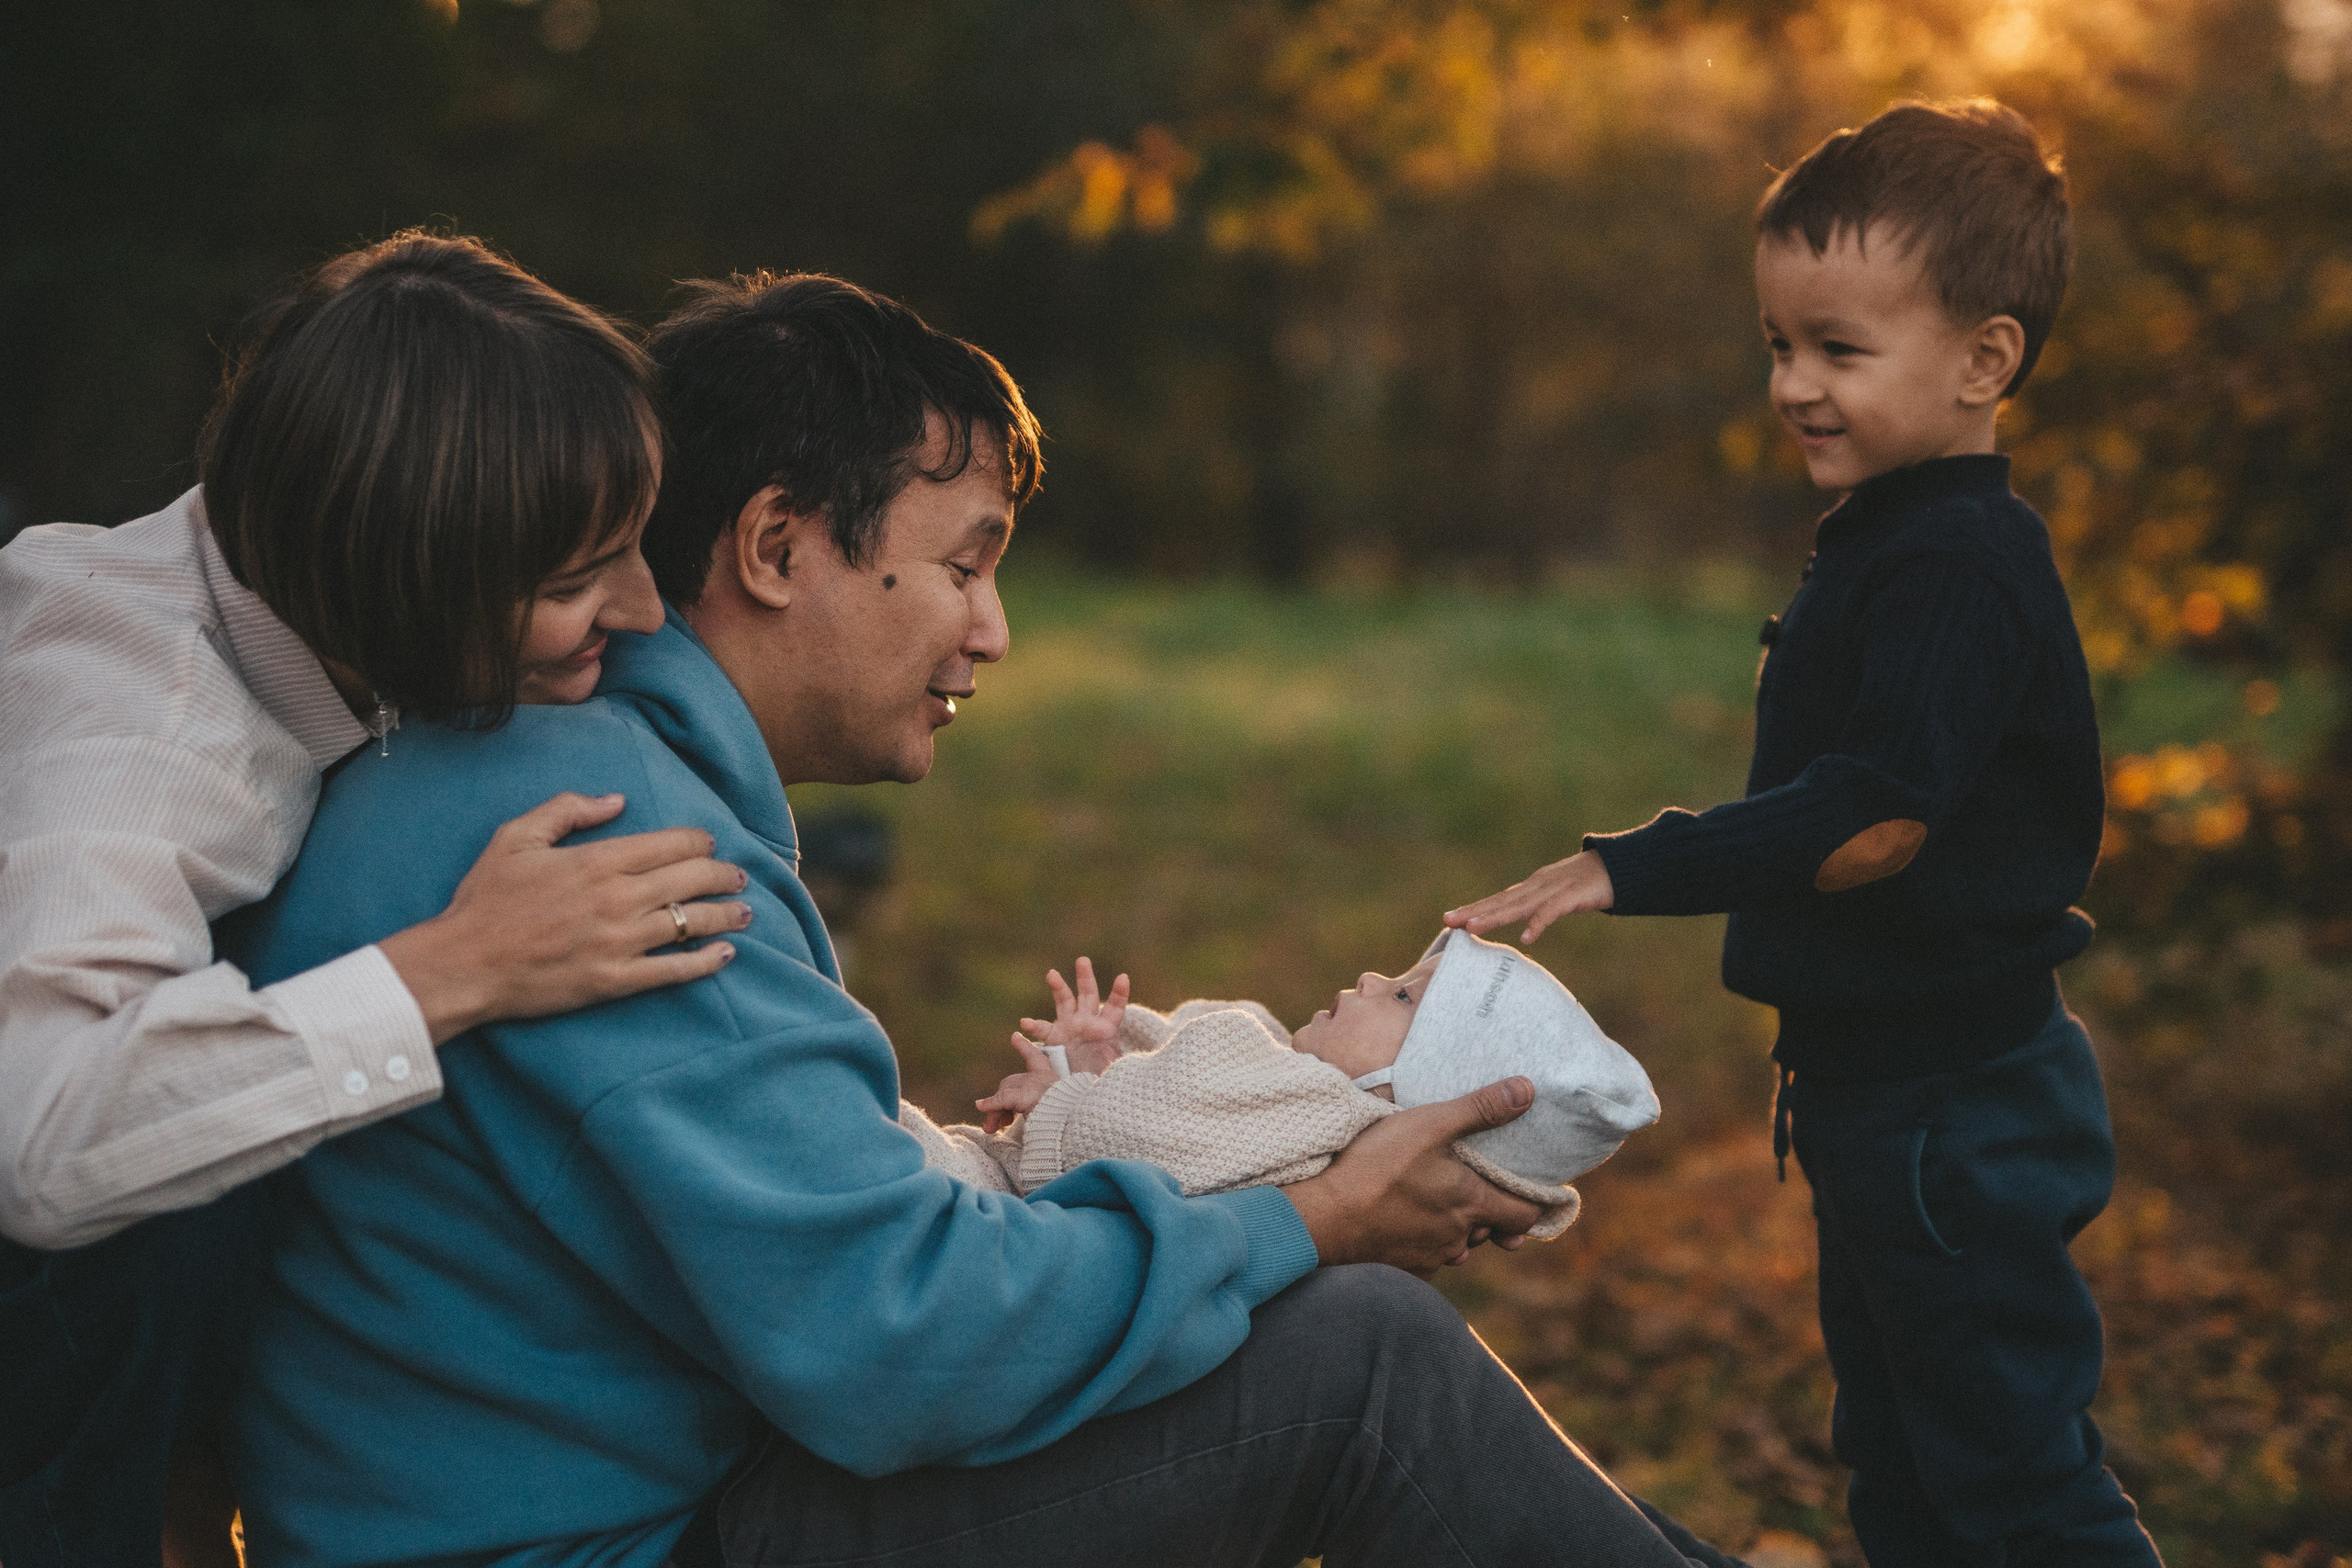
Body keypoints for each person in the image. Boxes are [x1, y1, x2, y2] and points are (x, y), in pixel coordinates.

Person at [214, 271, 1745, 1568]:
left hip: (623, 1489)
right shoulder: (612, 852)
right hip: (606, 1539)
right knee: (1362, 1365)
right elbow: (901, 1343)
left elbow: (825, 1239)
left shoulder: (558, 771)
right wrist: (1309, 1218)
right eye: (965, 564)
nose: (994, 630)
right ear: (774, 547)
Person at [1446, 101, 2162, 1566]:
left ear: (1985, 361)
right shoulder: (1895, 542)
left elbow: (1875, 822)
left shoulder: (1960, 561)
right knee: (1902, 1460)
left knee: (2013, 1473)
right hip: (1881, 1095)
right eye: (1781, 344)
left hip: (1954, 1112)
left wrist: (1627, 862)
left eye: (1841, 349)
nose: (1796, 385)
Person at [0, 232, 750, 1568]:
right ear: (418, 581)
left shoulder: (321, 556)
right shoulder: (147, 747)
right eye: (578, 578)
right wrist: (460, 968)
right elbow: (45, 1139)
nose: (641, 608)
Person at [924, 933, 1657, 1239]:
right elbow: (1179, 1122)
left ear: (1407, 1092)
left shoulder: (1317, 1108)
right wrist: (1103, 1065)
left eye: (1403, 998)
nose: (1372, 978)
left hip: (999, 1211)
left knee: (878, 1153)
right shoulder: (1297, 1089)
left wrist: (1072, 1096)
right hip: (1019, 1220)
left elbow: (1142, 1136)